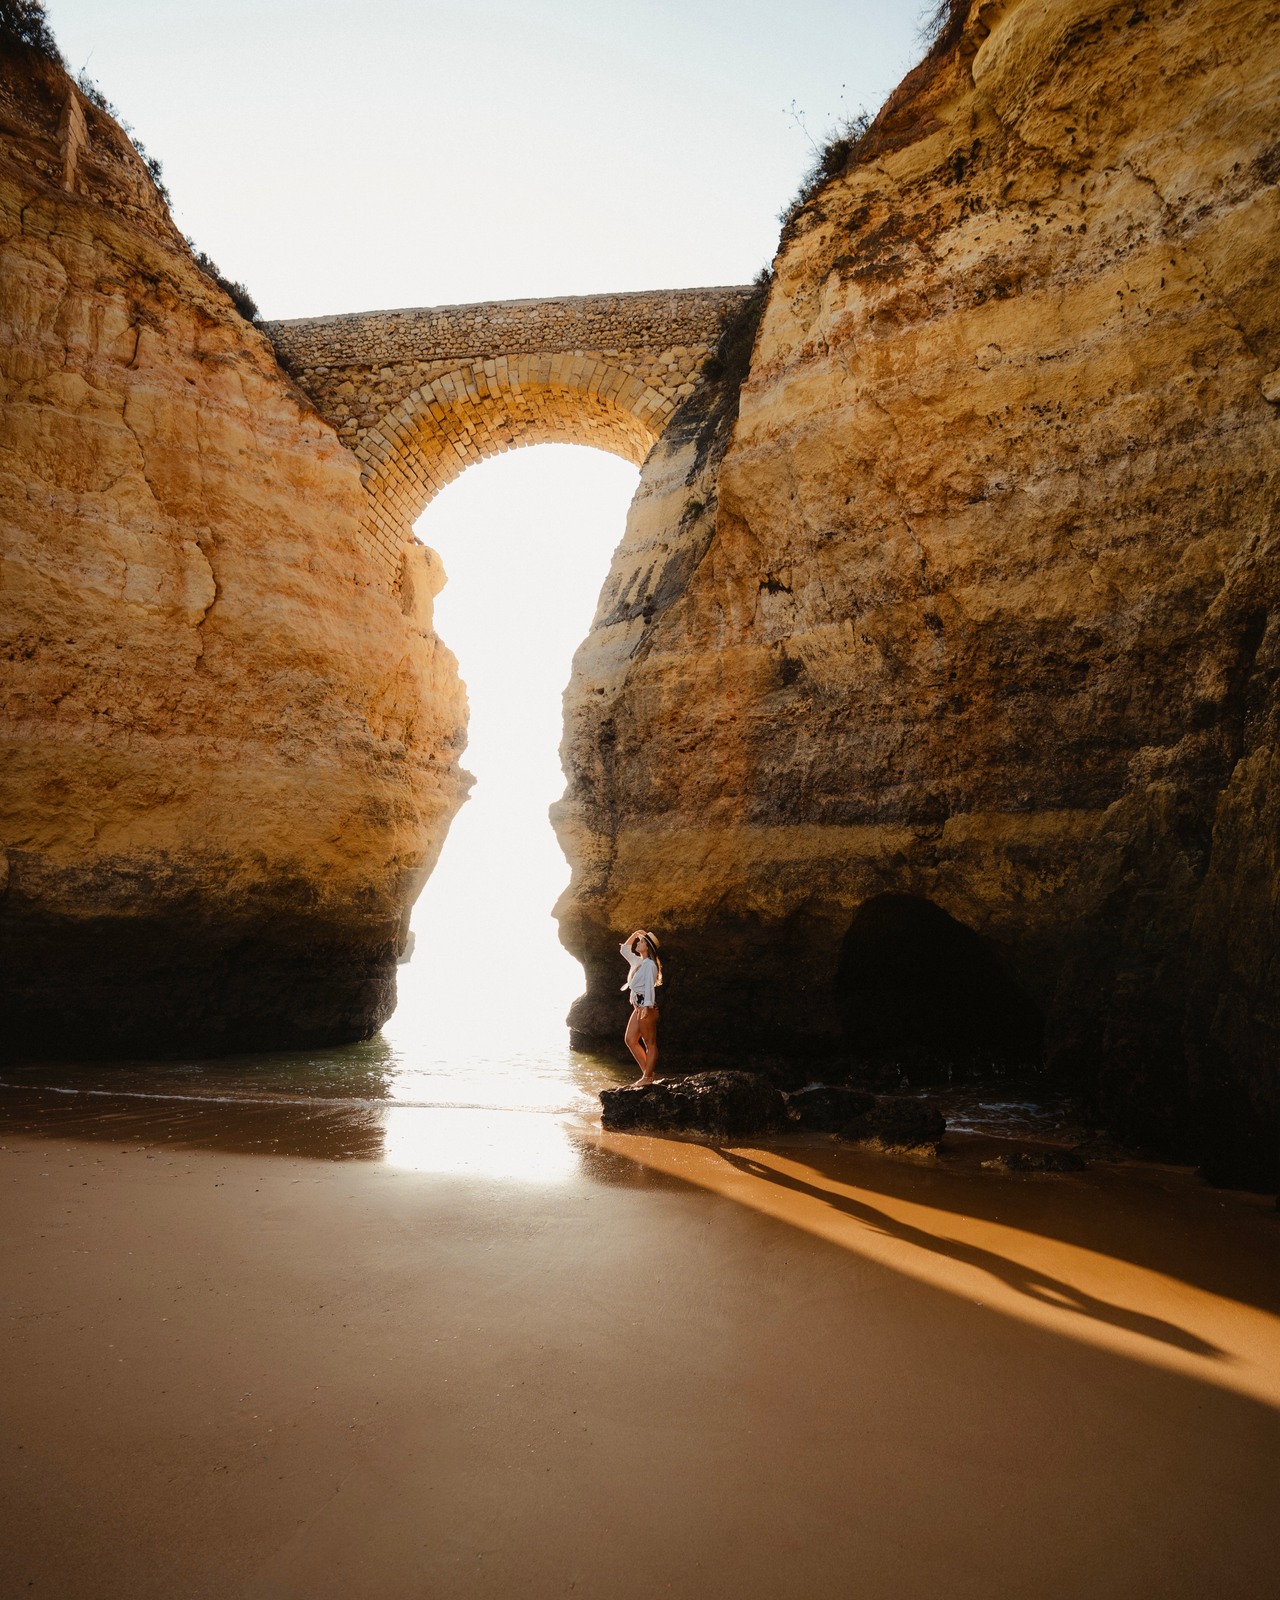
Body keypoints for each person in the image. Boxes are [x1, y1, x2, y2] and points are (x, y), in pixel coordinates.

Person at [619, 929, 662, 1086]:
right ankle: (647, 1073)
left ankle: (647, 1078)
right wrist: (636, 933)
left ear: (648, 947)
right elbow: (624, 949)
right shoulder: (638, 962)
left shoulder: (650, 965)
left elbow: (650, 987)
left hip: (646, 1007)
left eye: (642, 941)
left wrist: (646, 1007)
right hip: (638, 1007)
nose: (638, 942)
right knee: (630, 1039)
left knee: (650, 1043)